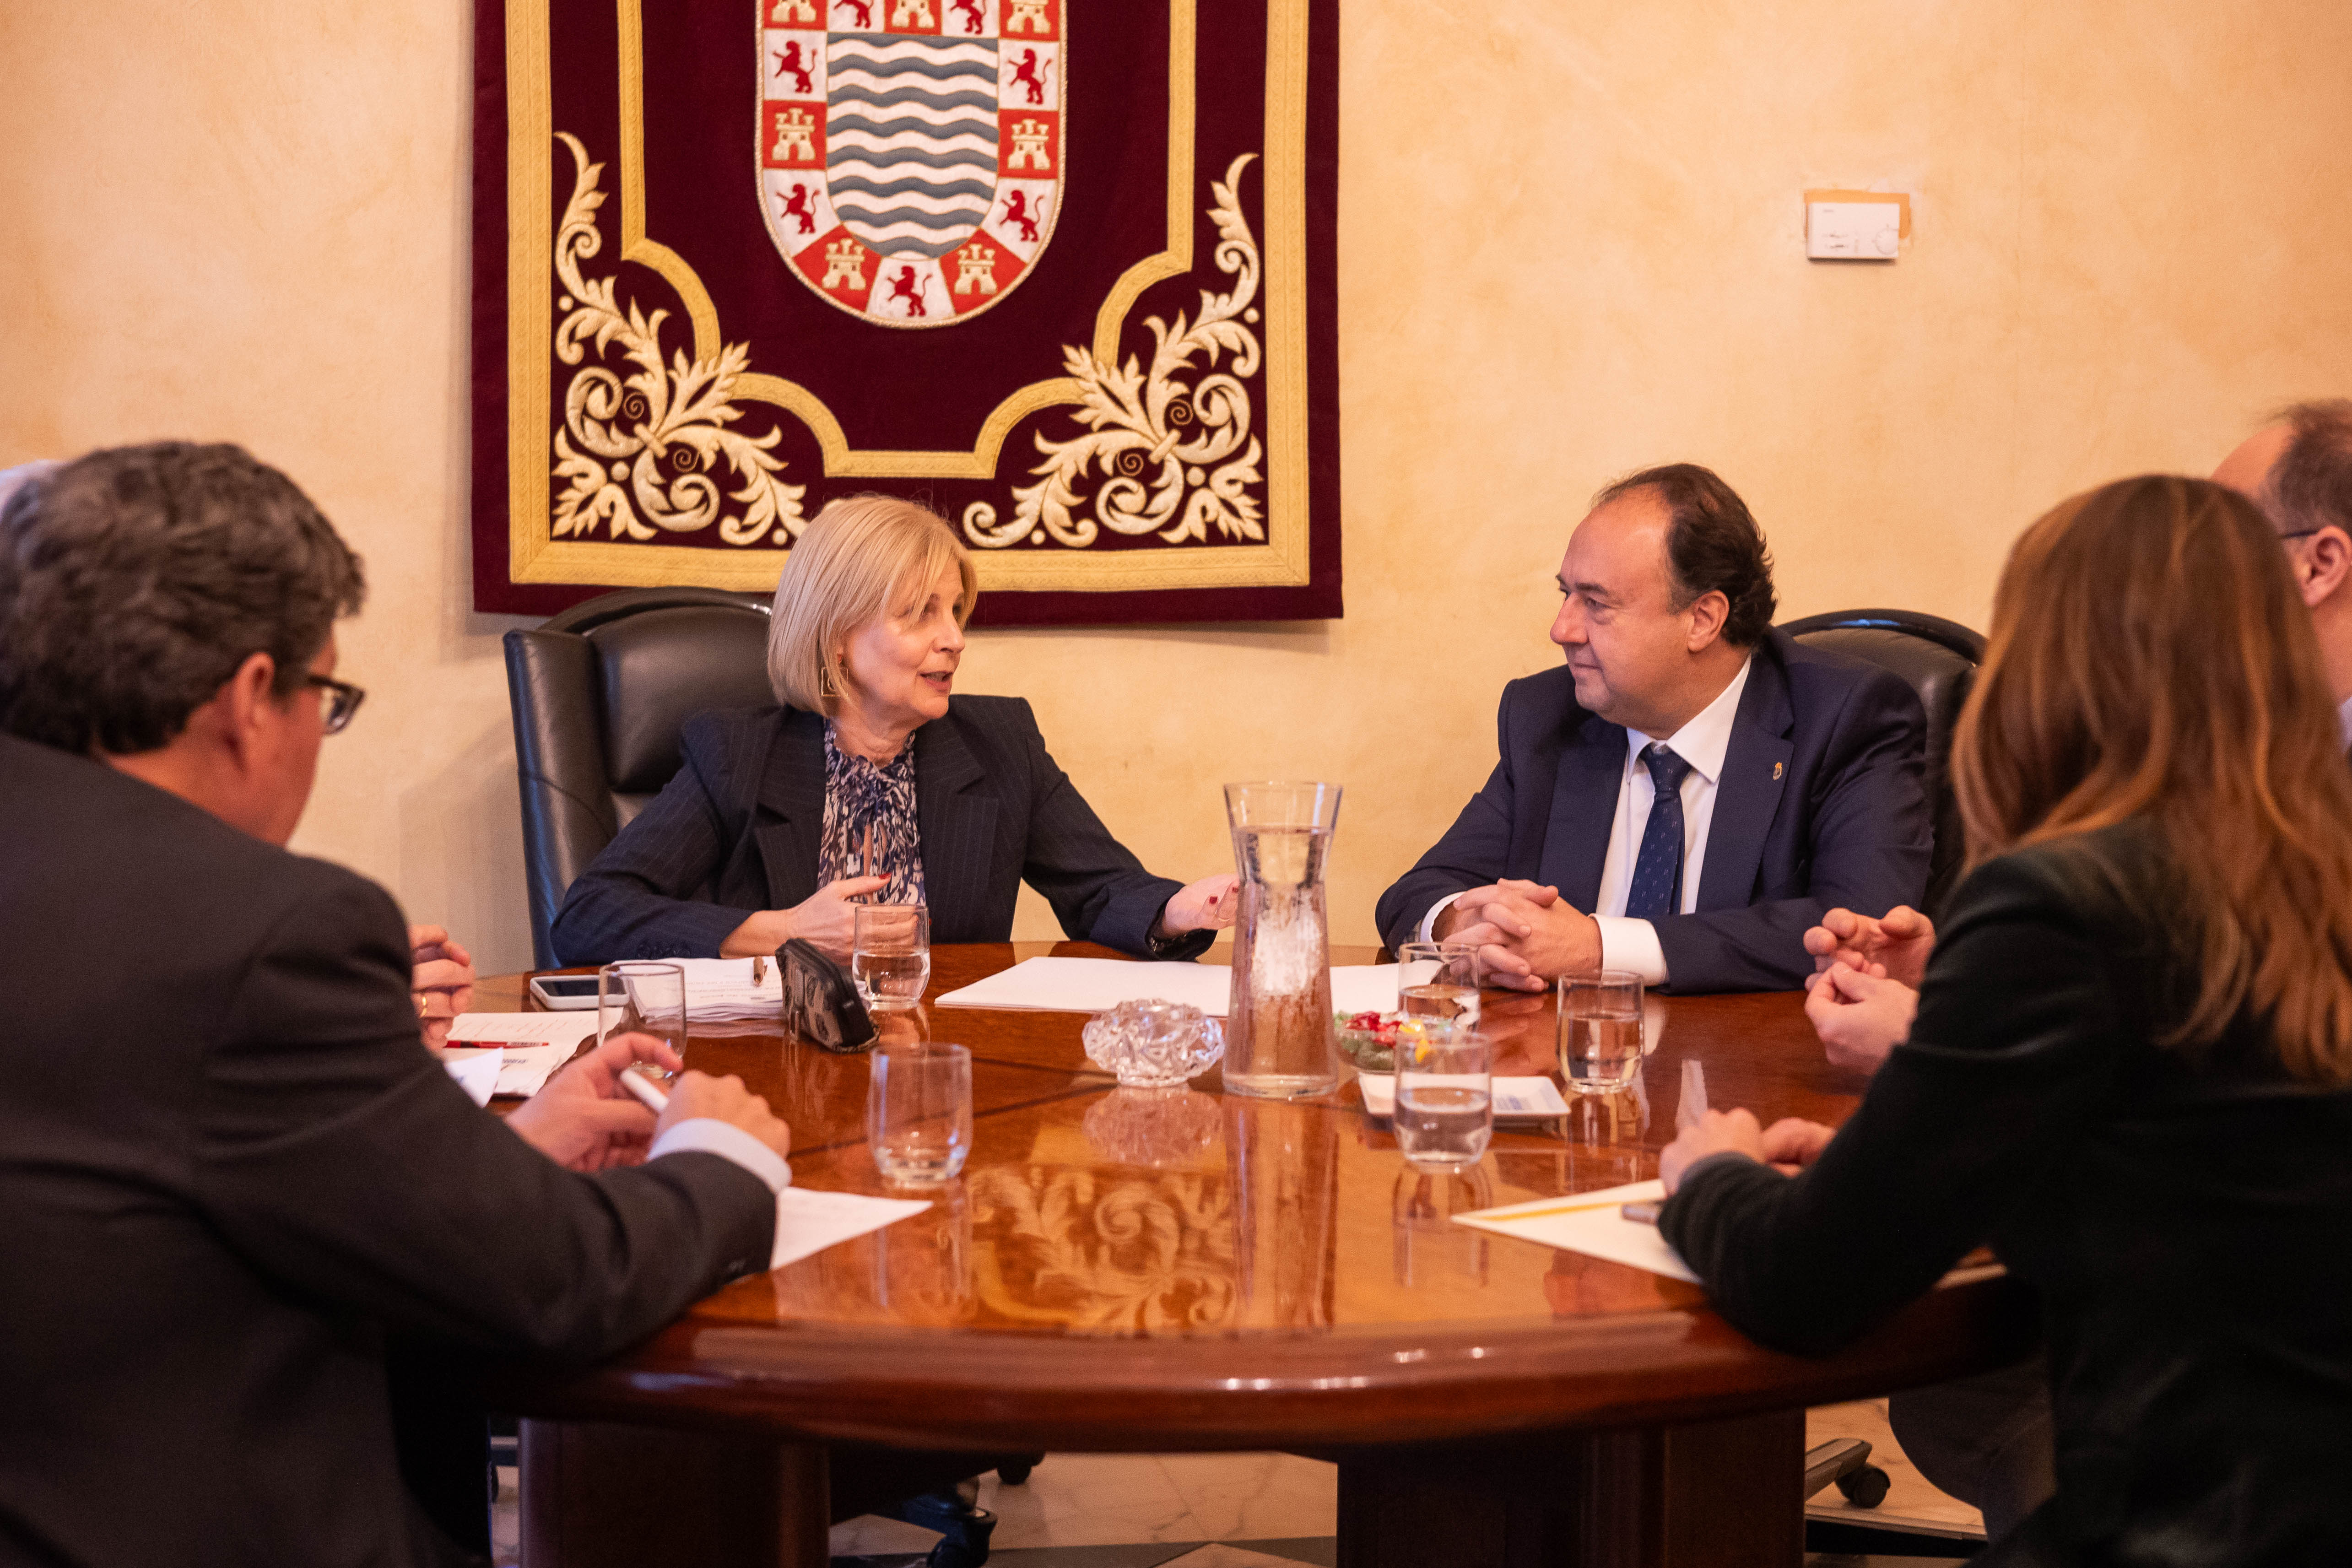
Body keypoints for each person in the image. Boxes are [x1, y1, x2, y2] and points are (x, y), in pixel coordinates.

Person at [0, 443, 795, 1567]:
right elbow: (555, 1280)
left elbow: (151, 1175)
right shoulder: (263, 932)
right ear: (248, 700)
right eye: (327, 698)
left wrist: (493, 1154)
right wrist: (721, 1159)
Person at [1660, 475, 2352, 1565]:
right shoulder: (2310, 870)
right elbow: (2195, 1142)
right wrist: (1923, 1086)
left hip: (2186, 1521)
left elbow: (1806, 1283)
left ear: (2056, 660)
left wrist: (1713, 1173)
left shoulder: (2063, 899)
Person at [550, 494, 1237, 966]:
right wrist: (786, 931)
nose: (955, 639)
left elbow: (1102, 890)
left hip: (947, 1072)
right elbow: (589, 915)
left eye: (955, 610)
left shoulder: (1000, 742)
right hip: (774, 1073)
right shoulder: (736, 754)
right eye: (920, 614)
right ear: (837, 639)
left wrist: (1179, 909)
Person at [1373, 463, 1932, 993]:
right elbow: (1416, 893)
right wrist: (1463, 925)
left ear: (1702, 620)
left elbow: (1864, 931)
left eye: (1596, 603)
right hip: (1570, 1069)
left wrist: (1601, 948)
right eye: (1566, 594)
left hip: (1752, 1075)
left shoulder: (1845, 719)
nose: (1561, 629)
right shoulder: (1547, 715)